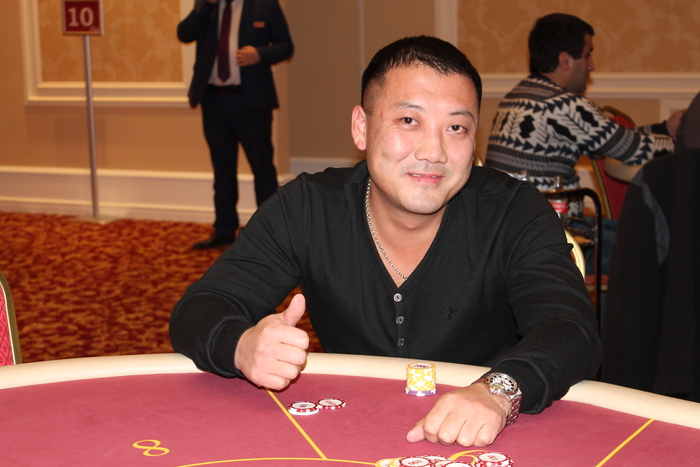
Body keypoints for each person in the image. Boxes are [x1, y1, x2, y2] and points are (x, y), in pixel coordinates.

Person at [170, 36, 601, 448]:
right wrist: (240, 344)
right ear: (362, 127)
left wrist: (499, 391)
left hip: (487, 438)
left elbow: (571, 330)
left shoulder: (514, 212)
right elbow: (201, 307)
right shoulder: (307, 207)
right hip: (345, 433)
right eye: (409, 121)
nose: (433, 151)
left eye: (456, 127)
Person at [484, 13, 682, 275]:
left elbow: (610, 140)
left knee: (630, 232)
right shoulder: (562, 104)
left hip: (512, 232)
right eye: (588, 56)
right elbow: (632, 149)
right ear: (565, 60)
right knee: (660, 246)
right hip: (551, 238)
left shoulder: (519, 95)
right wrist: (683, 139)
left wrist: (663, 129)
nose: (592, 66)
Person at [178, 0, 293, 249]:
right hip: (214, 99)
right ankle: (224, 229)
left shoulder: (264, 5)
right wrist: (204, 7)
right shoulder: (206, 5)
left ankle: (270, 235)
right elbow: (184, 34)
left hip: (251, 100)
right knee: (222, 169)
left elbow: (286, 46)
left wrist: (259, 54)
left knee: (262, 168)